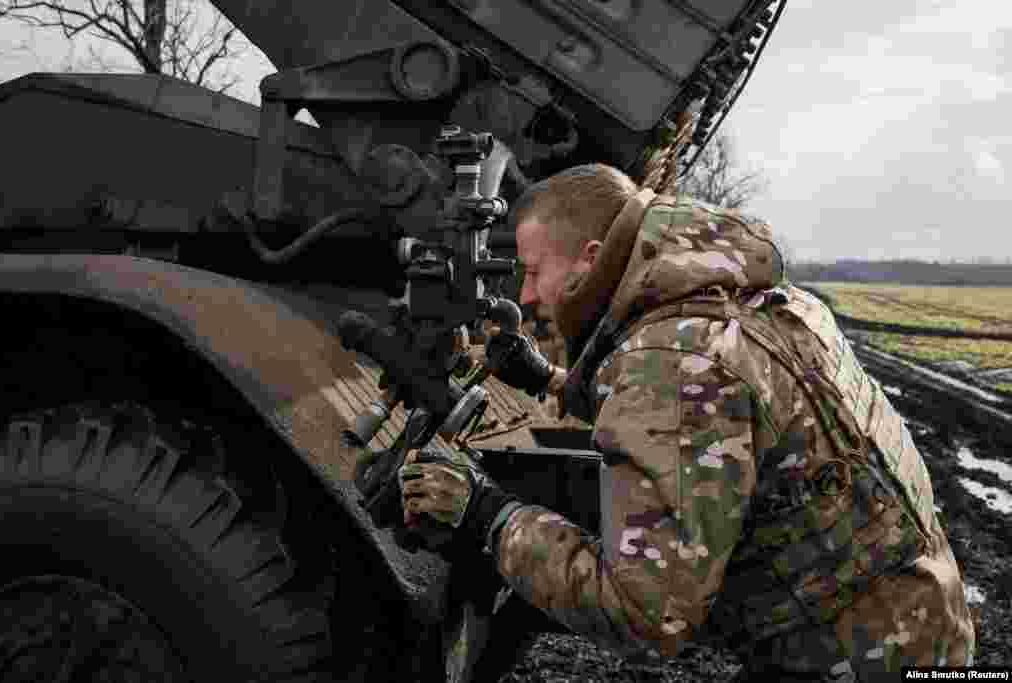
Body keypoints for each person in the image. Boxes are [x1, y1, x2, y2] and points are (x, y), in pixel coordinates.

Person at [396, 161, 976, 680]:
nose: (524, 295)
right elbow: (717, 418)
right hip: (919, 625)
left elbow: (646, 615)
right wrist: (551, 380)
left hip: (856, 659)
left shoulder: (672, 364)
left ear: (591, 260)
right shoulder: (744, 301)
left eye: (532, 271)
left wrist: (489, 516)